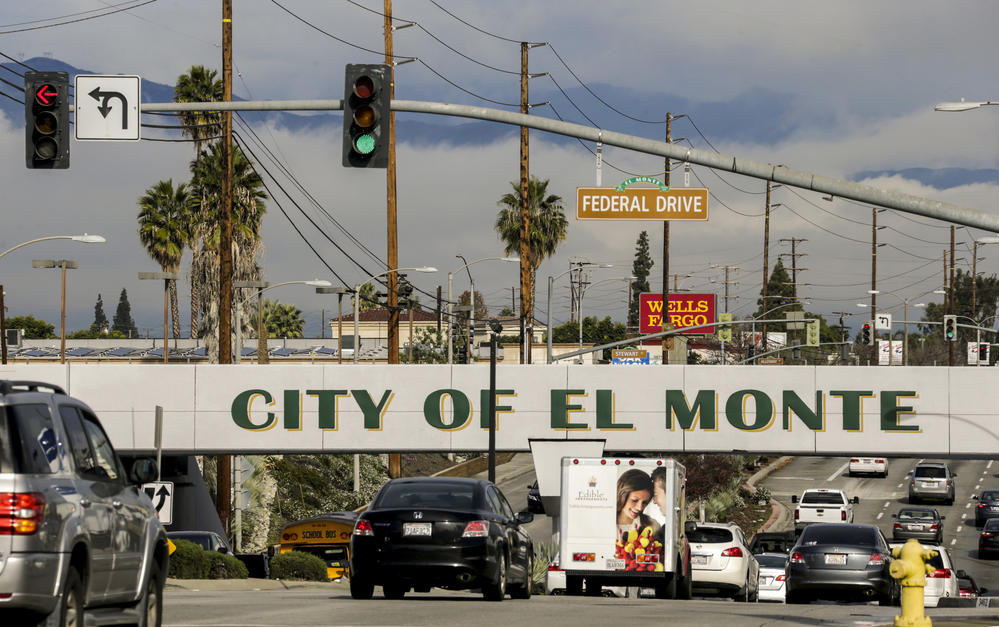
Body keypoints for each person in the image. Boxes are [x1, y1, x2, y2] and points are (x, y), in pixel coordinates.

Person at [616, 469, 660, 539]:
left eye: (644, 502)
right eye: (635, 500)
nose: (640, 507)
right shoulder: (604, 522)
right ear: (622, 496)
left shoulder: (653, 526)